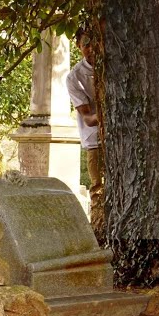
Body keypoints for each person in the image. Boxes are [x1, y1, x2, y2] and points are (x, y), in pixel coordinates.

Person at [65, 30, 106, 245]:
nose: (91, 48)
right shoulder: (74, 77)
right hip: (95, 141)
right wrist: (111, 113)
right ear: (79, 47)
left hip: (120, 139)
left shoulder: (113, 65)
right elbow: (89, 118)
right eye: (85, 44)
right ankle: (99, 235)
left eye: (94, 42)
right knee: (98, 189)